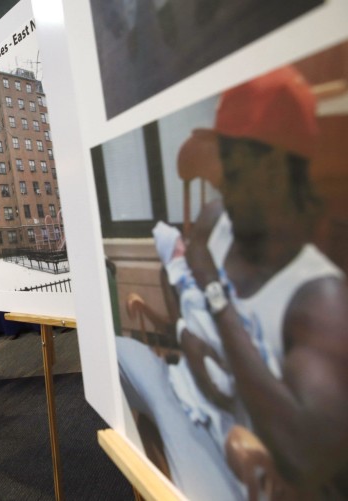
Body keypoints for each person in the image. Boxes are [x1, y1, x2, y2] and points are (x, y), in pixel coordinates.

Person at [117, 66, 348, 499]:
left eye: (240, 174)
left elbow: (302, 455)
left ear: (283, 172)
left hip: (240, 460)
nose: (226, 188)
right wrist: (186, 330)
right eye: (226, 171)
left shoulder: (320, 299)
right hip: (186, 389)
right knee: (114, 353)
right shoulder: (214, 220)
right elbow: (180, 290)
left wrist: (215, 294)